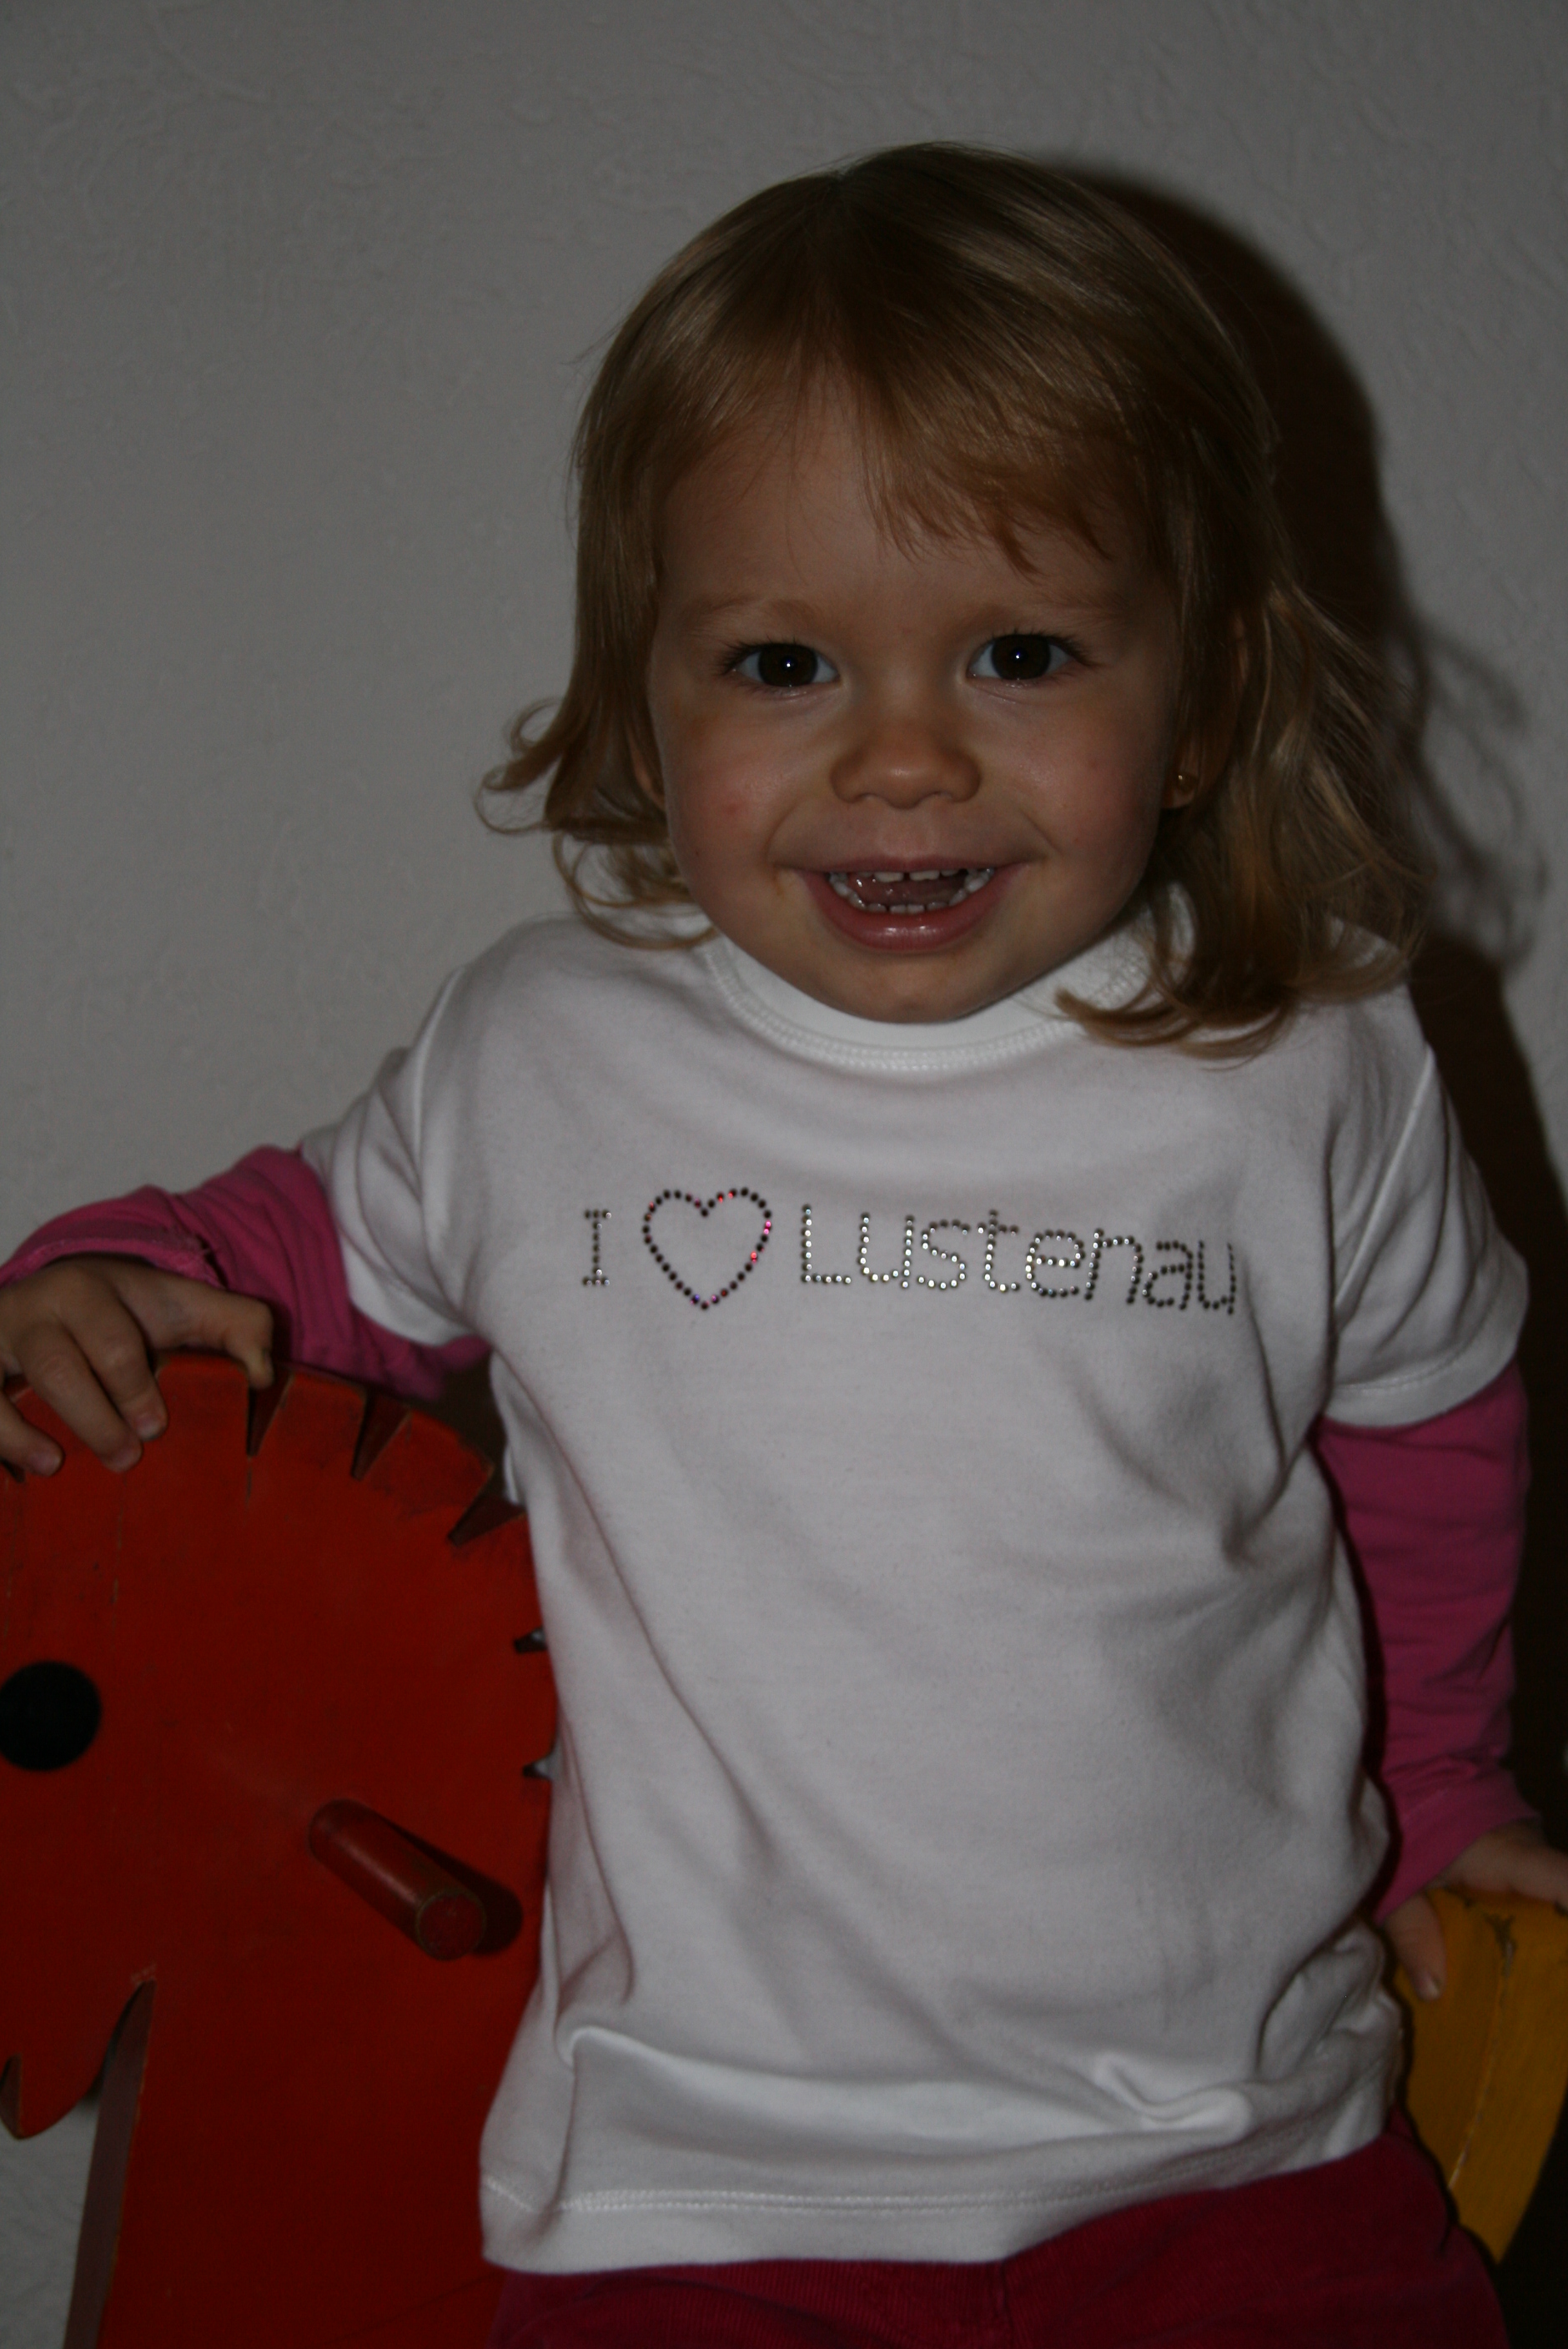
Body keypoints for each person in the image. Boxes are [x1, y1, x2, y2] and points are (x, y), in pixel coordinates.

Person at [2, 147, 1563, 2347]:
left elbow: (1429, 1423)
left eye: (1020, 654)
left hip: (1243, 2147)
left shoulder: (1306, 1063)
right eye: (783, 662)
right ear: (647, 698)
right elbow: (285, 1262)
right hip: (706, 2191)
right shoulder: (547, 1057)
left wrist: (1447, 1783)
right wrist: (96, 1269)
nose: (903, 758)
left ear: (1204, 695)